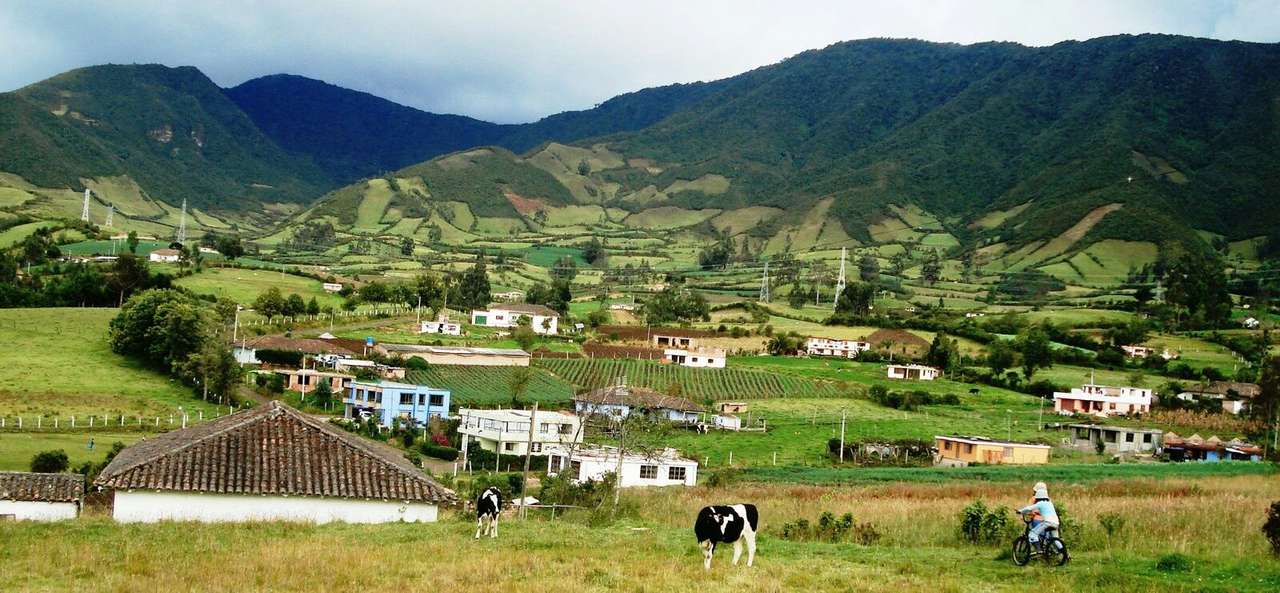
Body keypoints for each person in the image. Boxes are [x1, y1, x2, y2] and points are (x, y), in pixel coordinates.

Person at [1018, 481, 1059, 548]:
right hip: (1055, 522)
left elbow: (1029, 508)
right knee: (1053, 540)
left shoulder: (1037, 501)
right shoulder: (1049, 502)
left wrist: (1020, 511)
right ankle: (1065, 554)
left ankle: (1039, 550)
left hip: (1042, 521)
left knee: (1033, 534)